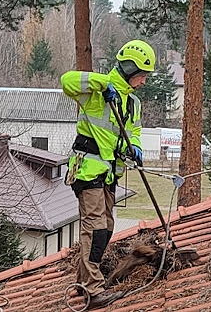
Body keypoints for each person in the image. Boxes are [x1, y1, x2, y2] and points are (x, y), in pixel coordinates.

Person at [61, 39, 155, 309]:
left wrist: (134, 147)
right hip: (87, 169)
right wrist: (103, 85)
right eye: (142, 75)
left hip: (110, 174)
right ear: (128, 69)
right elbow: (67, 81)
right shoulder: (97, 90)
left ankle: (81, 284)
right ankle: (91, 289)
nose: (144, 81)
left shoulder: (133, 103)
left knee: (107, 228)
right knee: (96, 229)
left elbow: (133, 131)